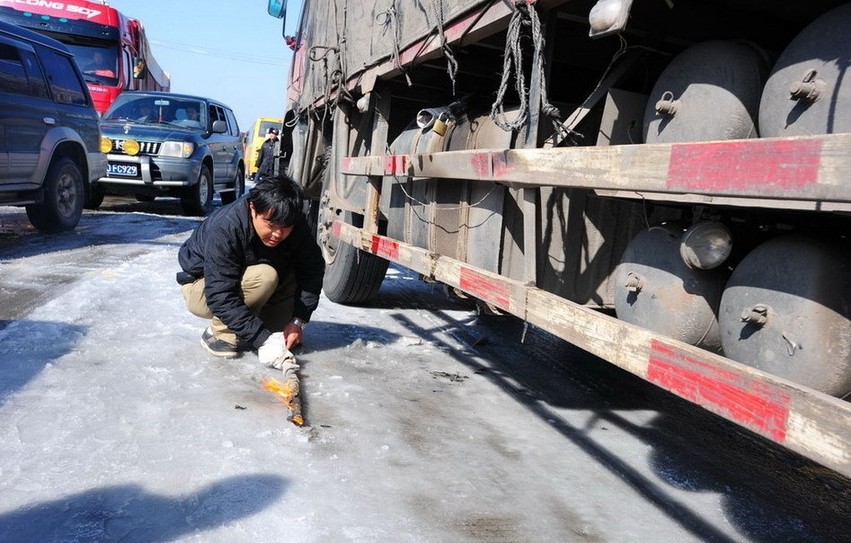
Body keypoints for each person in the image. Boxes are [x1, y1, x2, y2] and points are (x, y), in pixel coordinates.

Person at [176, 176, 325, 365]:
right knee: (265, 276)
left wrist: (298, 321)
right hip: (203, 288)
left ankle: (253, 325)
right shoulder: (227, 227)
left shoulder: (291, 220)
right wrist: (262, 338)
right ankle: (218, 334)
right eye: (271, 226)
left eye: (285, 228)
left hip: (241, 283)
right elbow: (219, 294)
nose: (278, 234)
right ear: (253, 208)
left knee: (279, 328)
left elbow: (312, 268)